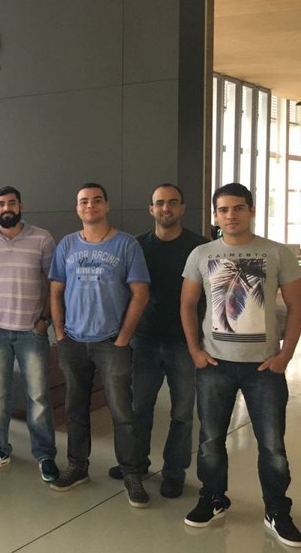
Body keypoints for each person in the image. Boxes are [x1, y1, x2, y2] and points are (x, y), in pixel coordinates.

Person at [181, 183, 301, 547]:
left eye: (237, 208)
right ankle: (214, 497)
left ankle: (276, 509)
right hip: (214, 364)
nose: (230, 215)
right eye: (223, 210)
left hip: (264, 368)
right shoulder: (201, 254)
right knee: (210, 440)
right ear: (215, 216)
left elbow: (297, 306)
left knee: (272, 446)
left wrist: (286, 355)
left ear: (251, 210)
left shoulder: (277, 252)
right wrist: (195, 351)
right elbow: (187, 304)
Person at [48, 183, 151, 508]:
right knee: (75, 409)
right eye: (83, 201)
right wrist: (60, 334)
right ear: (77, 208)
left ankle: (132, 473)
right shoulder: (66, 244)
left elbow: (140, 294)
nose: (89, 206)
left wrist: (123, 339)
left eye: (96, 200)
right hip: (73, 341)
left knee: (122, 412)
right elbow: (55, 292)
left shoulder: (127, 244)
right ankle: (77, 466)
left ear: (106, 205)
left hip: (111, 343)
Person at [106, 184, 208, 498]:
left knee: (182, 413)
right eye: (160, 203)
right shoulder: (136, 246)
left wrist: (202, 340)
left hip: (184, 342)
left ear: (183, 207)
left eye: (172, 203)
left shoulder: (199, 247)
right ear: (151, 209)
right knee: (139, 408)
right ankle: (136, 464)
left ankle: (174, 472)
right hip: (144, 340)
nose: (166, 208)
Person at [0, 186, 58, 481]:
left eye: (12, 203)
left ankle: (45, 454)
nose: (7, 208)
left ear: (21, 206)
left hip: (32, 332)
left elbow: (54, 282)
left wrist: (44, 320)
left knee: (38, 397)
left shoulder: (42, 238)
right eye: (1, 204)